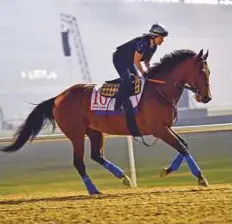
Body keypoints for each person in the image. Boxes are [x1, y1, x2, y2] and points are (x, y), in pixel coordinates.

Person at [113, 23, 168, 110]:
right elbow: (136, 61)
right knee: (128, 80)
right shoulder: (143, 43)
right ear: (154, 36)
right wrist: (143, 73)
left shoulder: (154, 47)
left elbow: (147, 62)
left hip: (129, 61)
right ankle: (117, 106)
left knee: (137, 81)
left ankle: (127, 99)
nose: (162, 40)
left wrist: (150, 72)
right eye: (161, 38)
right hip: (119, 58)